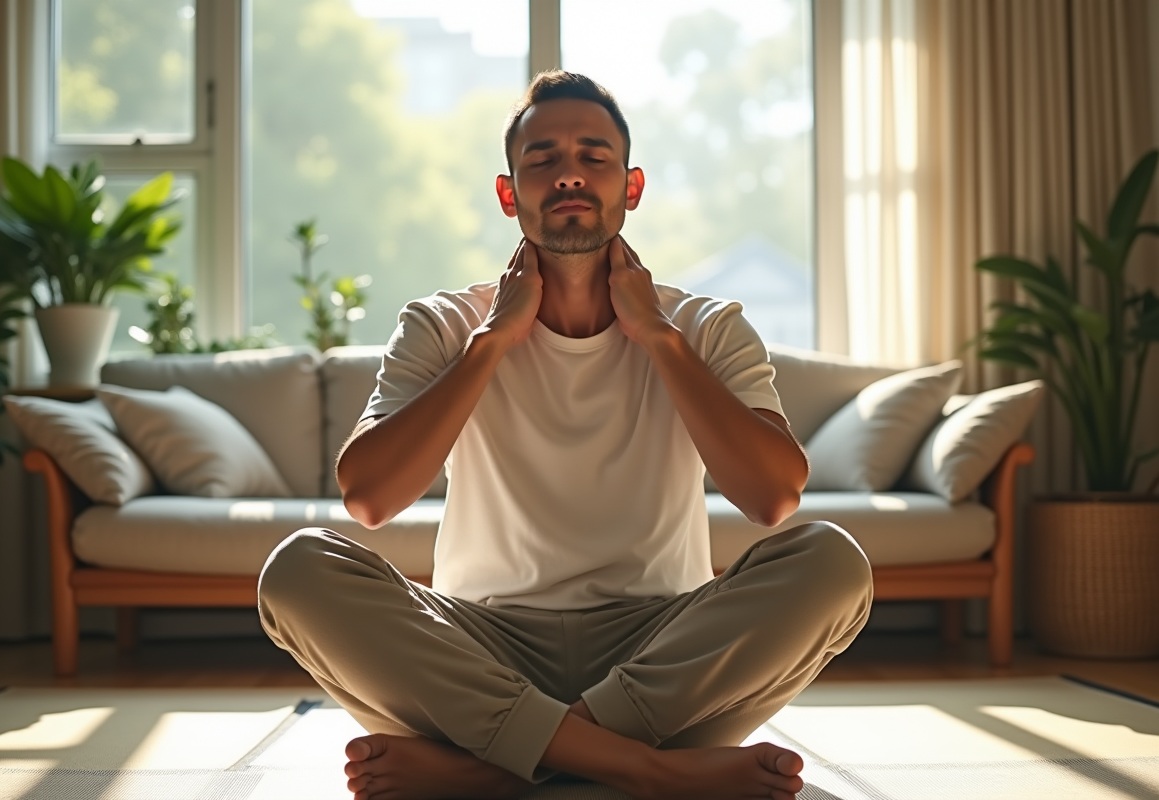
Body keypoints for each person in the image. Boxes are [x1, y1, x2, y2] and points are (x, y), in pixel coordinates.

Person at [258, 71, 873, 800]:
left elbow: (773, 498)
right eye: (543, 159)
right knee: (297, 570)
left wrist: (658, 339)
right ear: (509, 192)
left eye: (594, 156)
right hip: (481, 652)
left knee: (834, 563)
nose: (571, 174)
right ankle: (645, 767)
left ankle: (486, 768)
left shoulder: (705, 325)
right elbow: (369, 498)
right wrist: (490, 344)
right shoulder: (443, 324)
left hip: (660, 652)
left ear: (631, 186)